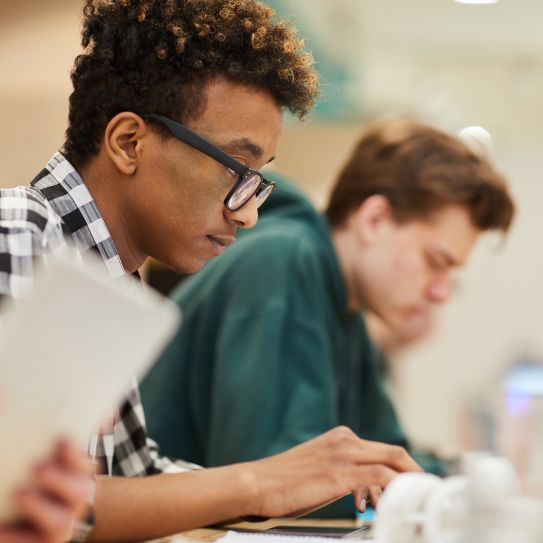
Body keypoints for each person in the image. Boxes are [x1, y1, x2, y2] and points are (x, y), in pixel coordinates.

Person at [0, 2, 422, 541]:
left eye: (257, 182)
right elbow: (23, 496)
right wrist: (259, 482)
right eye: (235, 170)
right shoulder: (20, 229)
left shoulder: (111, 278)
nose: (247, 213)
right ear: (129, 142)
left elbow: (130, 480)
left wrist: (292, 480)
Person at [140, 118, 516, 517]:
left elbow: (386, 454)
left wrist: (465, 476)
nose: (442, 292)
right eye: (435, 262)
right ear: (374, 220)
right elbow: (280, 492)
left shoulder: (347, 308)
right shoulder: (283, 263)